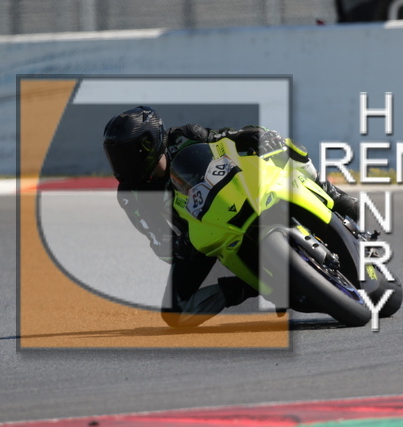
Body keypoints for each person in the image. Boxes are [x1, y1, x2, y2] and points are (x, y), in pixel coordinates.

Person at [102, 105, 358, 327]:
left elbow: (228, 137)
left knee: (286, 147)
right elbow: (156, 238)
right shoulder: (130, 195)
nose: (120, 164)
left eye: (125, 155)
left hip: (239, 191)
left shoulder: (185, 136)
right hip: (200, 233)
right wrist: (176, 246)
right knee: (175, 312)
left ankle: (329, 192)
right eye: (115, 157)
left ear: (148, 143)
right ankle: (247, 285)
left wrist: (255, 136)